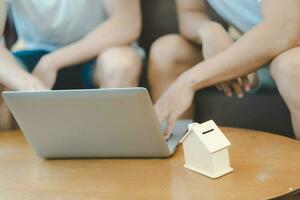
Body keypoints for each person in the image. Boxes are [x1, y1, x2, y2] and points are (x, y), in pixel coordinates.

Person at [148, 0, 300, 139]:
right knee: (167, 52)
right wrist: (208, 30)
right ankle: (174, 157)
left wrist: (190, 79)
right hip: (255, 47)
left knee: (291, 66)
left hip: (290, 47)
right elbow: (190, 12)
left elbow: (285, 30)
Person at [0, 0, 142, 130]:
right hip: (33, 55)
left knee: (121, 66)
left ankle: (109, 143)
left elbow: (127, 23)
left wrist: (51, 62)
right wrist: (28, 84)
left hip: (98, 49)